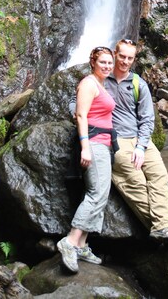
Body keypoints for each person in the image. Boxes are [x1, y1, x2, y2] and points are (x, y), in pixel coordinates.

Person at [104, 38, 168, 244]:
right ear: (114, 54)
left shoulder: (138, 84)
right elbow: (77, 100)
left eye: (129, 58)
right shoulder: (100, 80)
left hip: (138, 138)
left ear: (134, 60)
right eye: (122, 56)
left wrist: (141, 147)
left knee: (159, 175)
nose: (125, 61)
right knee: (135, 181)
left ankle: (164, 228)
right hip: (115, 140)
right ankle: (163, 227)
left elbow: (147, 119)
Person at [57, 46, 116, 273]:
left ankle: (82, 245)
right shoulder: (89, 83)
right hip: (93, 143)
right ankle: (70, 241)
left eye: (109, 63)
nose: (107, 66)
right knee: (96, 194)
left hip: (103, 143)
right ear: (93, 62)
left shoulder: (100, 84)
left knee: (100, 194)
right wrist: (85, 147)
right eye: (103, 62)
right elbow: (80, 115)